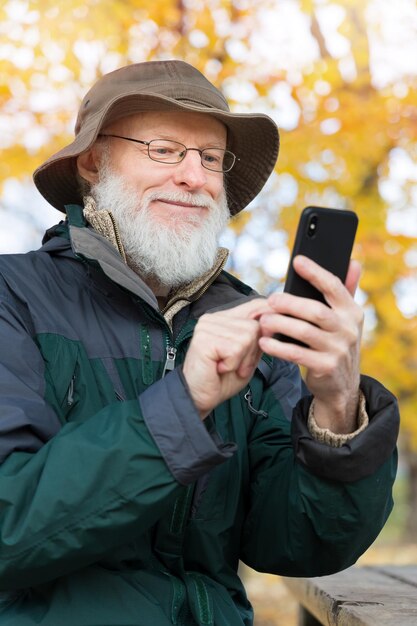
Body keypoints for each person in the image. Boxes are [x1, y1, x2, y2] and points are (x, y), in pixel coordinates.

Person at [0, 59, 398, 626]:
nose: (195, 178)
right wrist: (182, 405)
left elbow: (304, 544)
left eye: (211, 158)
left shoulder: (252, 322)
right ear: (93, 162)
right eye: (164, 150)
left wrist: (337, 410)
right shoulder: (12, 296)